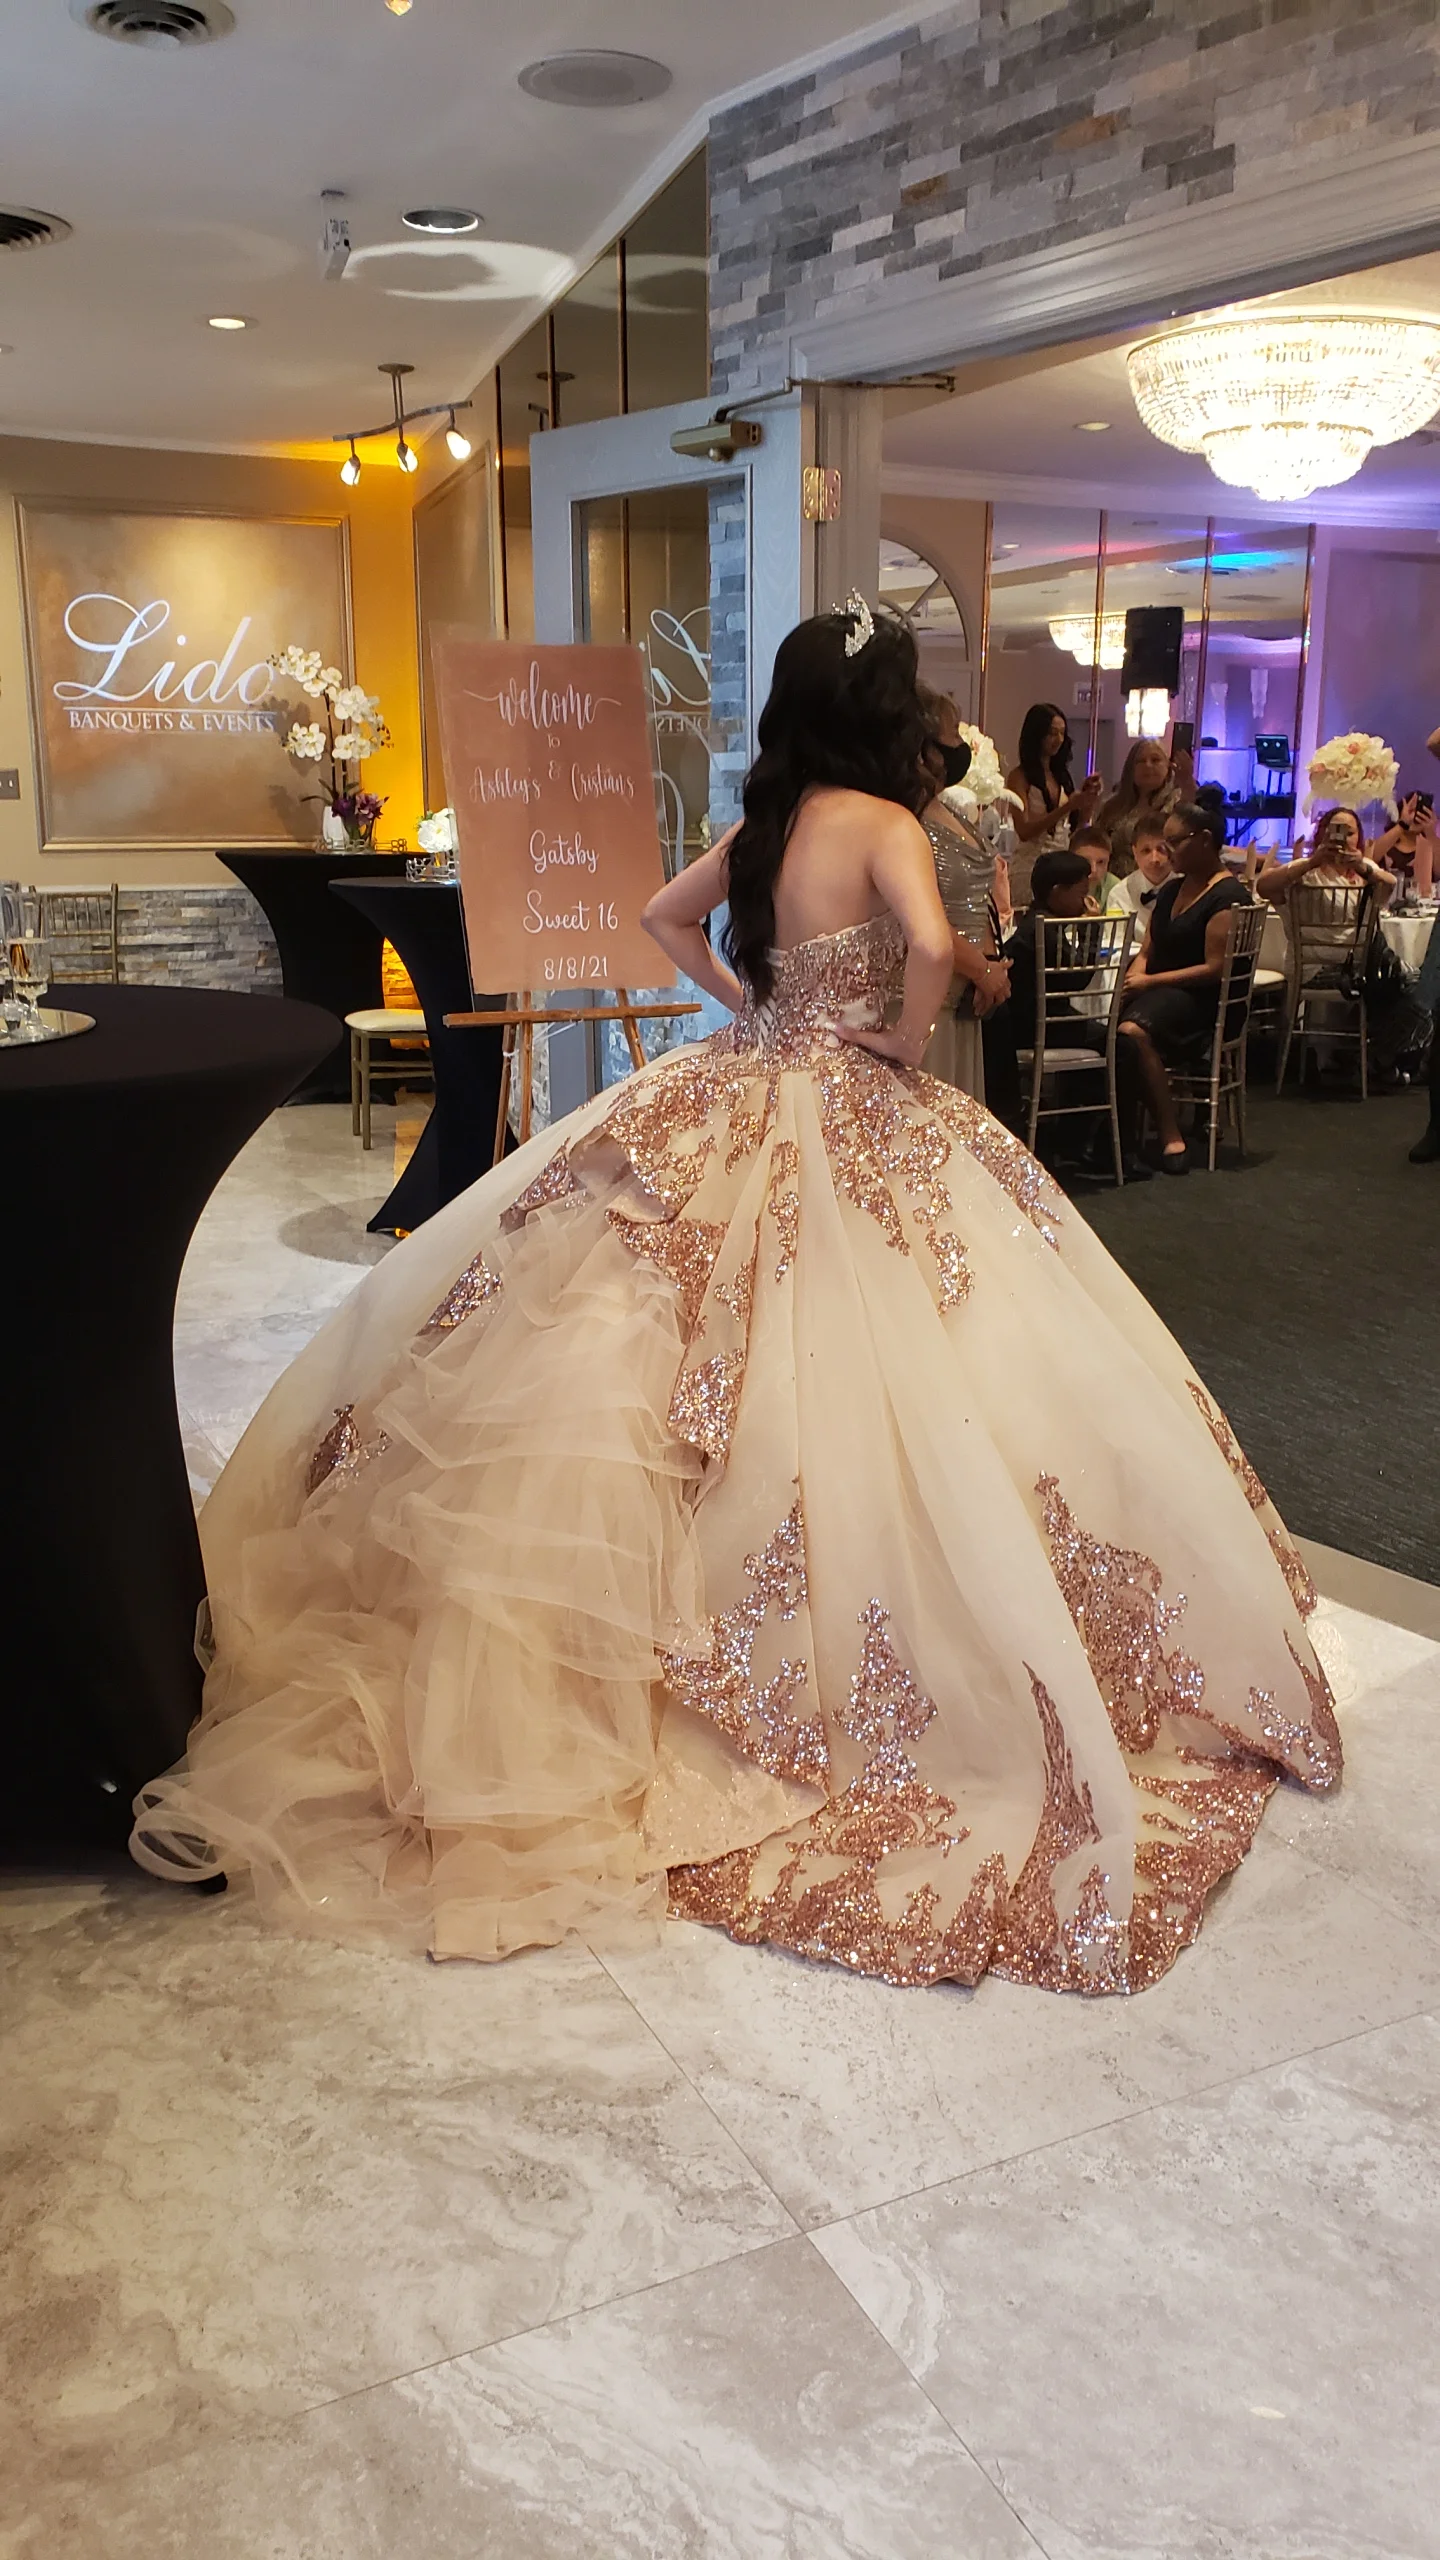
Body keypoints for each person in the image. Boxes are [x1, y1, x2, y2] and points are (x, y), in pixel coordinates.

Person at [130, 604, 1338, 1998]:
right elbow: (937, 953)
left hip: (740, 1078)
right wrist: (891, 1033)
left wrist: (750, 1013)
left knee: (653, 1334)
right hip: (854, 1101)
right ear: (885, 712)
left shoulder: (767, 827)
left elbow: (660, 920)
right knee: (916, 1356)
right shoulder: (885, 819)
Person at [1119, 804, 1252, 1174]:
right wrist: (1137, 976)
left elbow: (1215, 969)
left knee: (1132, 1032)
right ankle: (1115, 1136)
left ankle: (1168, 1131)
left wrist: (1149, 982)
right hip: (1162, 993)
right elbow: (1149, 948)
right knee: (1106, 1023)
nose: (1166, 852)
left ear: (1204, 840)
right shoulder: (1172, 889)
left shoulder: (1227, 896)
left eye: (1174, 842)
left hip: (1204, 1000)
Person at [915, 689, 1010, 1099]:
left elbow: (976, 892)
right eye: (951, 734)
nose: (960, 746)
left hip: (964, 998)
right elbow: (916, 915)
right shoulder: (904, 816)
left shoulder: (946, 807)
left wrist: (989, 963)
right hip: (924, 998)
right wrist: (982, 969)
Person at [1004, 703, 1103, 913]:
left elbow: (1079, 825)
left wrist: (1088, 798)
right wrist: (1066, 807)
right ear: (1036, 735)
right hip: (1030, 865)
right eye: (1051, 733)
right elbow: (1024, 830)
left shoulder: (1060, 776)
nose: (1058, 740)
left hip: (1059, 864)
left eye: (1061, 733)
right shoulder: (1019, 776)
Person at [1097, 735, 1193, 878]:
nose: (1147, 765)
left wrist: (1187, 783)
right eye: (1140, 761)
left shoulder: (1177, 800)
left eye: (1155, 760)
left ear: (1168, 765)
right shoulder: (1113, 804)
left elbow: (1187, 832)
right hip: (1114, 884)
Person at [1104, 813, 1173, 923]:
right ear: (1135, 853)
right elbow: (1117, 939)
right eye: (1146, 851)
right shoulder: (1120, 894)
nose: (1154, 859)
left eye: (1161, 849)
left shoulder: (1190, 888)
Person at [1069, 820, 1117, 911]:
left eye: (1101, 862)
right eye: (1085, 861)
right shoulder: (1059, 889)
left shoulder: (1115, 888)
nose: (1093, 870)